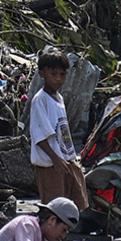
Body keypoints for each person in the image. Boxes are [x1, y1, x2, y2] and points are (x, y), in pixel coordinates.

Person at [30, 49, 88, 211]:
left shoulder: (59, 98)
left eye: (62, 74)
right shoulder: (40, 100)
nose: (58, 79)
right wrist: (55, 159)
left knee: (71, 206)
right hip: (51, 165)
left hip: (64, 161)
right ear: (42, 74)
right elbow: (39, 136)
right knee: (53, 210)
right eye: (53, 73)